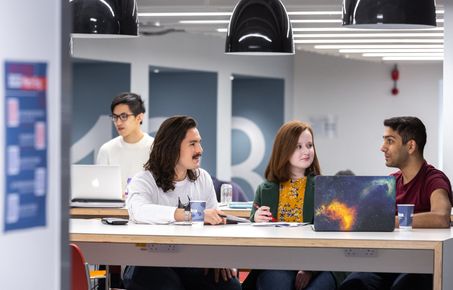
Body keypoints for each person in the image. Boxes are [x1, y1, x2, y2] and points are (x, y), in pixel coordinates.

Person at [123, 115, 241, 290]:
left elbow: (216, 224)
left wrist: (218, 258)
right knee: (169, 285)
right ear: (172, 147)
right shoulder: (144, 180)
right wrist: (191, 215)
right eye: (192, 144)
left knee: (230, 286)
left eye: (199, 142)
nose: (200, 149)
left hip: (192, 260)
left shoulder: (203, 178)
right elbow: (139, 211)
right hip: (148, 260)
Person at [339, 116, 452, 290]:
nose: (382, 148)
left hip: (421, 264)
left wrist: (393, 222)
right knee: (353, 284)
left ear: (411, 146)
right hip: (386, 261)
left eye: (390, 141)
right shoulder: (390, 183)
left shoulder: (434, 179)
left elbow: (442, 217)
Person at [242, 120, 343, 290]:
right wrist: (256, 220)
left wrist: (310, 269)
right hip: (278, 261)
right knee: (276, 284)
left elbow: (333, 238)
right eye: (298, 147)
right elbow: (255, 234)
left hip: (319, 264)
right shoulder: (265, 189)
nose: (306, 151)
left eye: (309, 145)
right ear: (284, 150)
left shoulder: (325, 188)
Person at [96, 92, 154, 191]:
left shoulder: (155, 148)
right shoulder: (107, 150)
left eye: (124, 116)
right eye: (115, 117)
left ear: (139, 117)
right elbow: (100, 188)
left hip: (146, 205)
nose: (118, 122)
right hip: (113, 207)